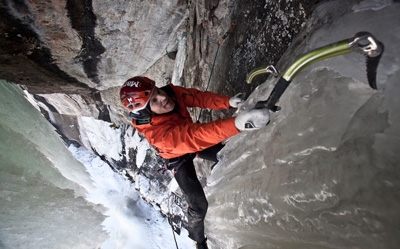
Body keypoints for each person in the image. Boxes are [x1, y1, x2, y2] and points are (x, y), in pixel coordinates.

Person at [120, 76, 270, 249]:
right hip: (177, 156)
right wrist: (236, 124)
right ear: (147, 112)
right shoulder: (158, 135)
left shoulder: (171, 94)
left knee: (231, 153)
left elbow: (197, 97)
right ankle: (198, 240)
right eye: (154, 100)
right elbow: (193, 137)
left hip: (191, 142)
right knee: (198, 206)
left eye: (158, 91)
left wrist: (227, 102)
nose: (163, 97)